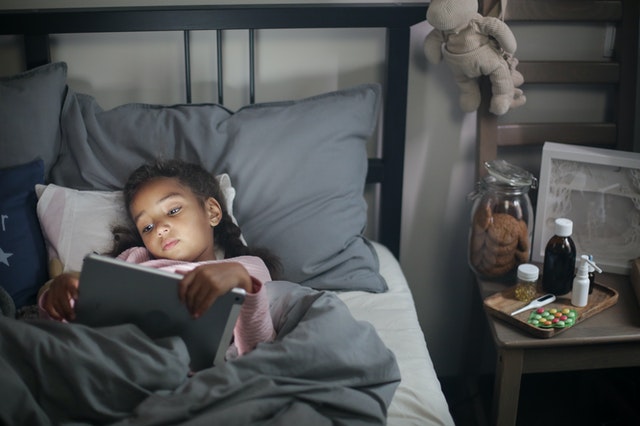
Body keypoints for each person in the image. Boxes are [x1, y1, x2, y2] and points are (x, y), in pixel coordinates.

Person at [39, 159, 281, 358]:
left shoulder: (245, 269)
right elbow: (74, 328)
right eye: (147, 227)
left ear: (212, 211)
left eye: (173, 211)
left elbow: (260, 350)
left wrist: (241, 282)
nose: (160, 229)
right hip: (118, 357)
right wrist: (60, 298)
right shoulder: (134, 260)